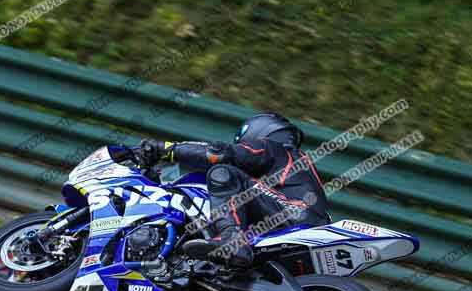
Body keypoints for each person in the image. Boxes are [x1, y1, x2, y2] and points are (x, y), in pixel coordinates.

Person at [139, 113, 330, 269]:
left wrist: (165, 149)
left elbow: (219, 154)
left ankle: (232, 240)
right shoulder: (293, 165)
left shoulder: (272, 148)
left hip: (291, 217)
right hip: (300, 225)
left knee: (222, 172)